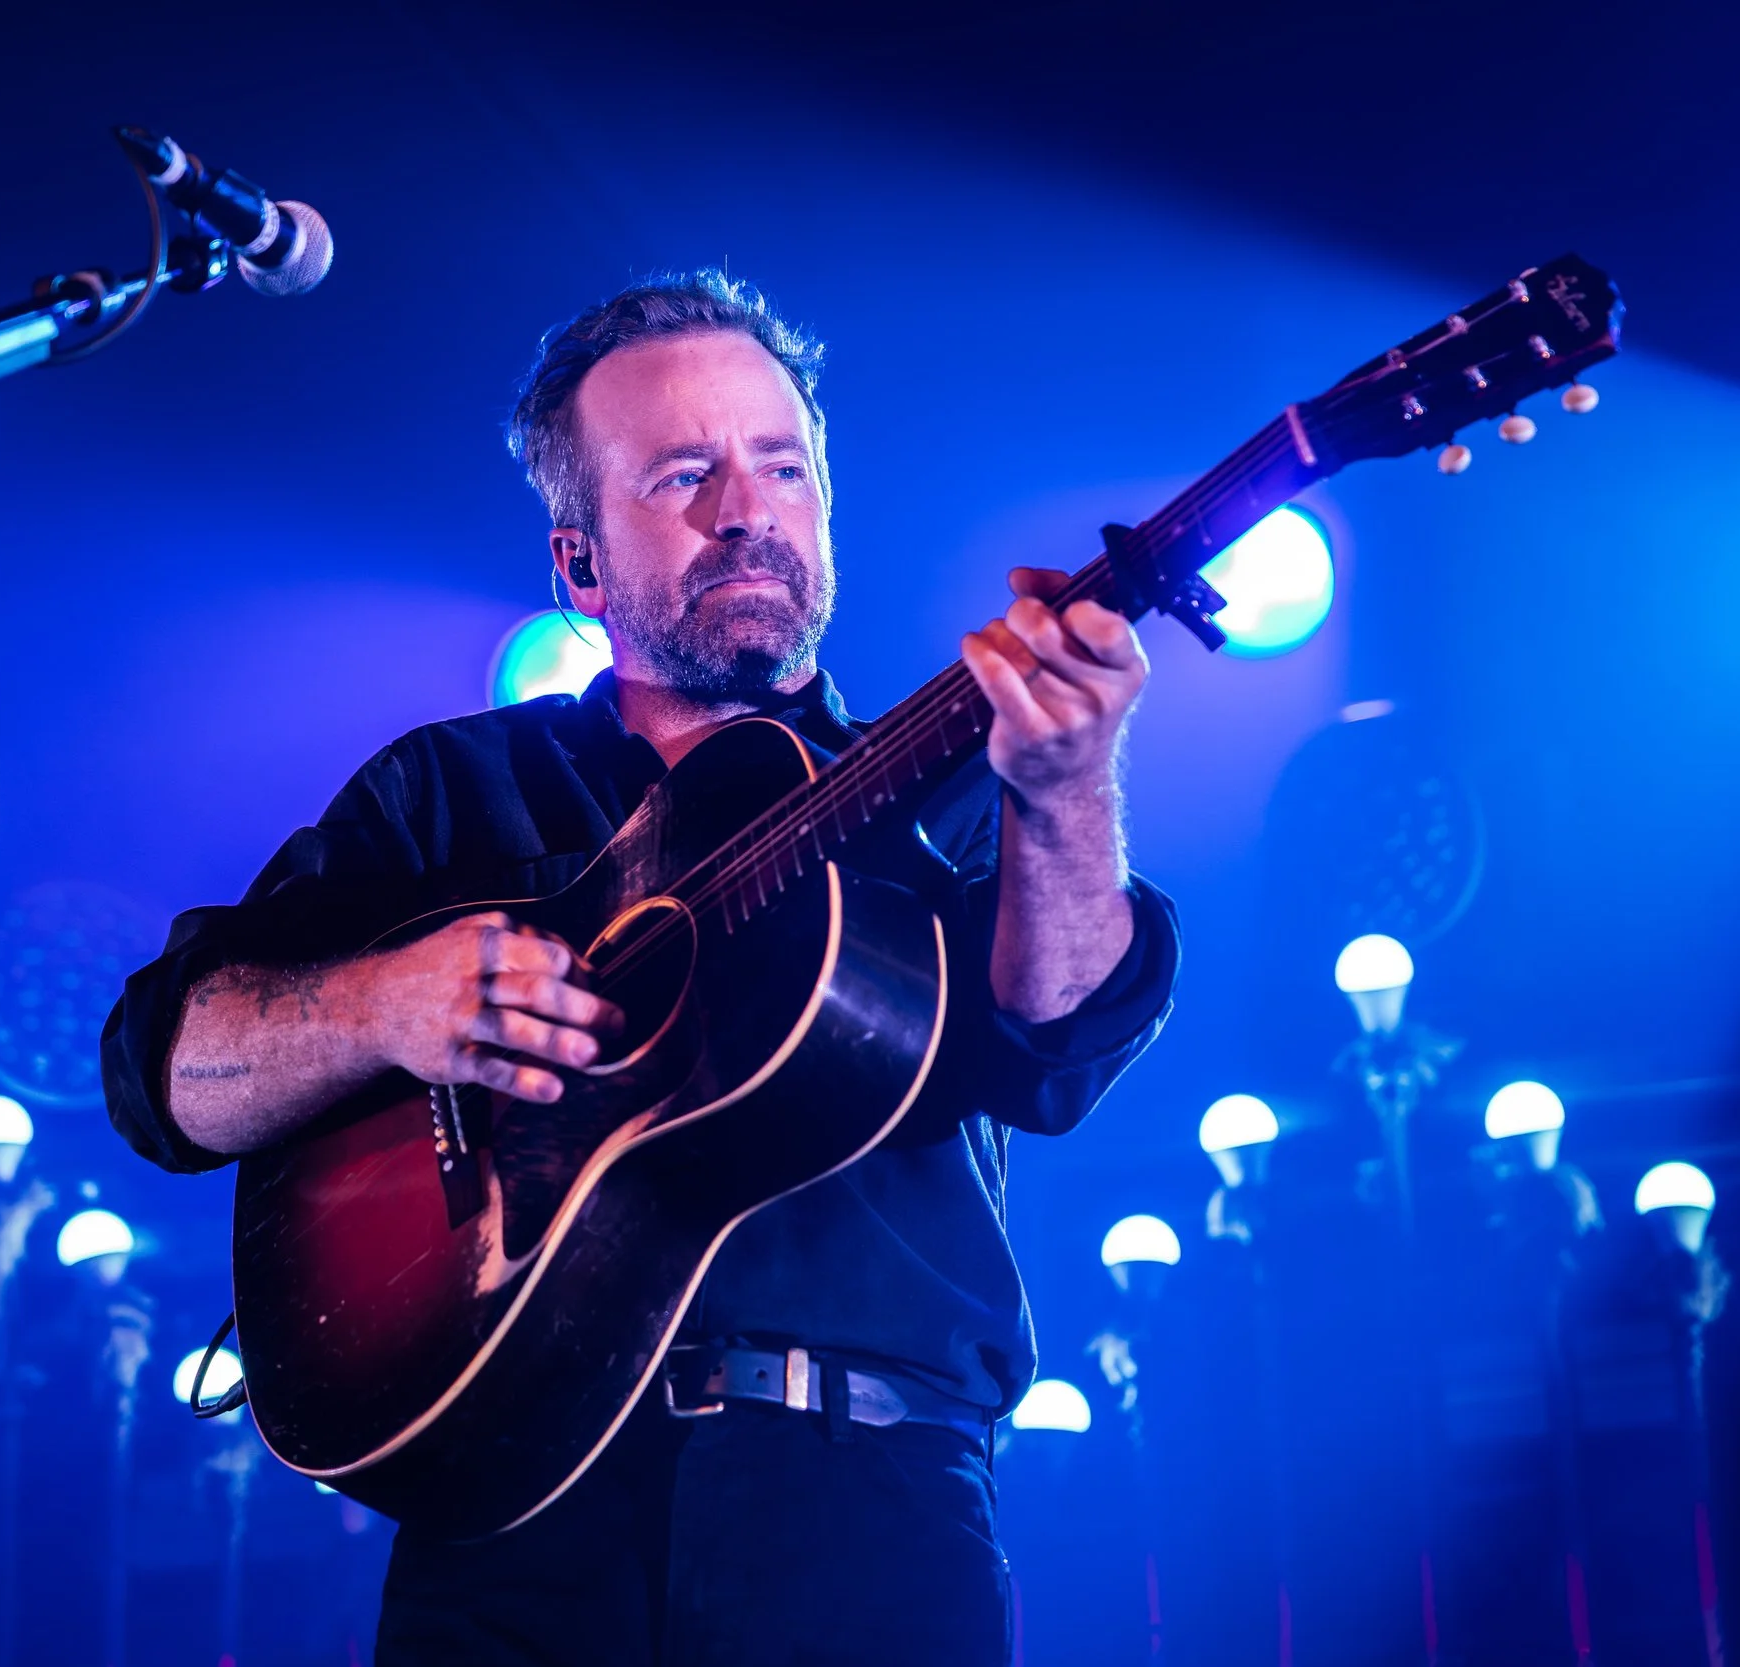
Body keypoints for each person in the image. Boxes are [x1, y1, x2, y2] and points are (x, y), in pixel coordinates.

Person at [102, 270, 1181, 1665]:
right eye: (683, 475)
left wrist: (1070, 787)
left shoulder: (965, 782)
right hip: (514, 1523)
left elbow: (1057, 1052)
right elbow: (166, 1074)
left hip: (870, 1512)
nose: (746, 509)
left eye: (781, 466)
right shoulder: (450, 794)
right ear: (580, 564)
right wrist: (383, 1004)